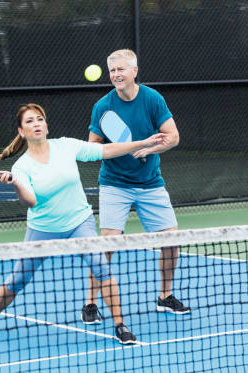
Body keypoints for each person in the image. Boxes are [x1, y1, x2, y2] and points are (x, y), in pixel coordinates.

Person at [0, 103, 170, 345]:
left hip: (78, 222)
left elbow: (106, 150)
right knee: (18, 278)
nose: (36, 124)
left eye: (39, 119)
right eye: (29, 121)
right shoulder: (21, 167)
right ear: (21, 131)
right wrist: (15, 182)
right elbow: (30, 201)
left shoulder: (66, 146)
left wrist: (143, 143)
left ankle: (120, 324)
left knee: (102, 268)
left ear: (47, 125)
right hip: (43, 228)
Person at [81, 49, 190, 325]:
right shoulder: (103, 106)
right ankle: (91, 302)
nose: (116, 75)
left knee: (171, 241)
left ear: (134, 71)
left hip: (150, 183)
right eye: (112, 71)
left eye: (121, 70)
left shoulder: (153, 99)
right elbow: (92, 147)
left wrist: (149, 148)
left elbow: (173, 137)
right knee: (106, 245)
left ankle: (165, 296)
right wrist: (120, 148)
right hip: (115, 183)